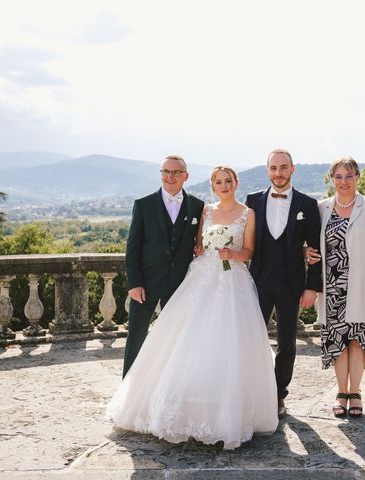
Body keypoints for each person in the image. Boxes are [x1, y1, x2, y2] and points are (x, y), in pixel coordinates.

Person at [107, 166, 278, 450]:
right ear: (213, 186)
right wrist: (203, 249)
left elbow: (250, 250)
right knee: (187, 339)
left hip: (233, 281)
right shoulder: (206, 211)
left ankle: (226, 409)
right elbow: (198, 244)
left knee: (228, 342)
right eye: (218, 182)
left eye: (228, 181)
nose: (224, 186)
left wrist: (233, 254)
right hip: (201, 278)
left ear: (236, 183)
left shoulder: (248, 214)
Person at [307, 157, 365, 417]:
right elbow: (310, 242)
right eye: (339, 176)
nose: (344, 181)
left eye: (349, 176)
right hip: (331, 286)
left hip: (363, 284)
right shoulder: (321, 208)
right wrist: (305, 251)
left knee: (358, 339)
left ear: (357, 177)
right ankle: (341, 392)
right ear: (332, 179)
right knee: (337, 340)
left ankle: (356, 393)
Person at [246, 149, 322, 419]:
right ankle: (253, 393)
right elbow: (245, 243)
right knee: (252, 340)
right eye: (273, 168)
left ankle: (279, 394)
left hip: (292, 285)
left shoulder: (307, 204)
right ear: (267, 170)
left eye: (283, 167)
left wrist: (312, 286)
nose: (278, 173)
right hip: (258, 283)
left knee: (287, 344)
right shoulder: (252, 201)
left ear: (292, 169)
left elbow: (314, 250)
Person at [122, 155, 205, 377]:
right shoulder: (143, 205)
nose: (170, 176)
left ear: (185, 176)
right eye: (166, 171)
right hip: (146, 284)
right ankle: (128, 388)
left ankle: (170, 384)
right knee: (136, 336)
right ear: (161, 174)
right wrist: (135, 283)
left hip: (180, 284)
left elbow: (199, 244)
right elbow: (133, 248)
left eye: (176, 172)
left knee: (176, 338)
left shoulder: (198, 206)